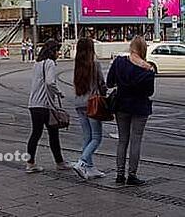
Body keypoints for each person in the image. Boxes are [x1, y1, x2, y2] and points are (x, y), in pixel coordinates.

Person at [106, 36, 154, 186]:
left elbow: (109, 83)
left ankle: (120, 174)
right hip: (140, 107)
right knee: (136, 140)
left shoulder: (119, 62)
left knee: (122, 140)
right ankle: (132, 175)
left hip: (121, 105)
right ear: (143, 49)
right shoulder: (148, 69)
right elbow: (149, 92)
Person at [26, 39, 71, 173]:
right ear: (52, 51)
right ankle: (59, 162)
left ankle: (30, 163)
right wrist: (59, 93)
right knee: (53, 134)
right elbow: (50, 82)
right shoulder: (50, 63)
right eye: (57, 50)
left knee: (36, 133)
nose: (59, 53)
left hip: (34, 104)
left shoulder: (38, 63)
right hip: (44, 105)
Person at [72, 38, 107, 179]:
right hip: (92, 104)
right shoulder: (95, 65)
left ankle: (90, 168)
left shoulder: (77, 66)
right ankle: (82, 162)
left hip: (79, 103)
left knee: (87, 137)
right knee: (97, 137)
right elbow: (102, 84)